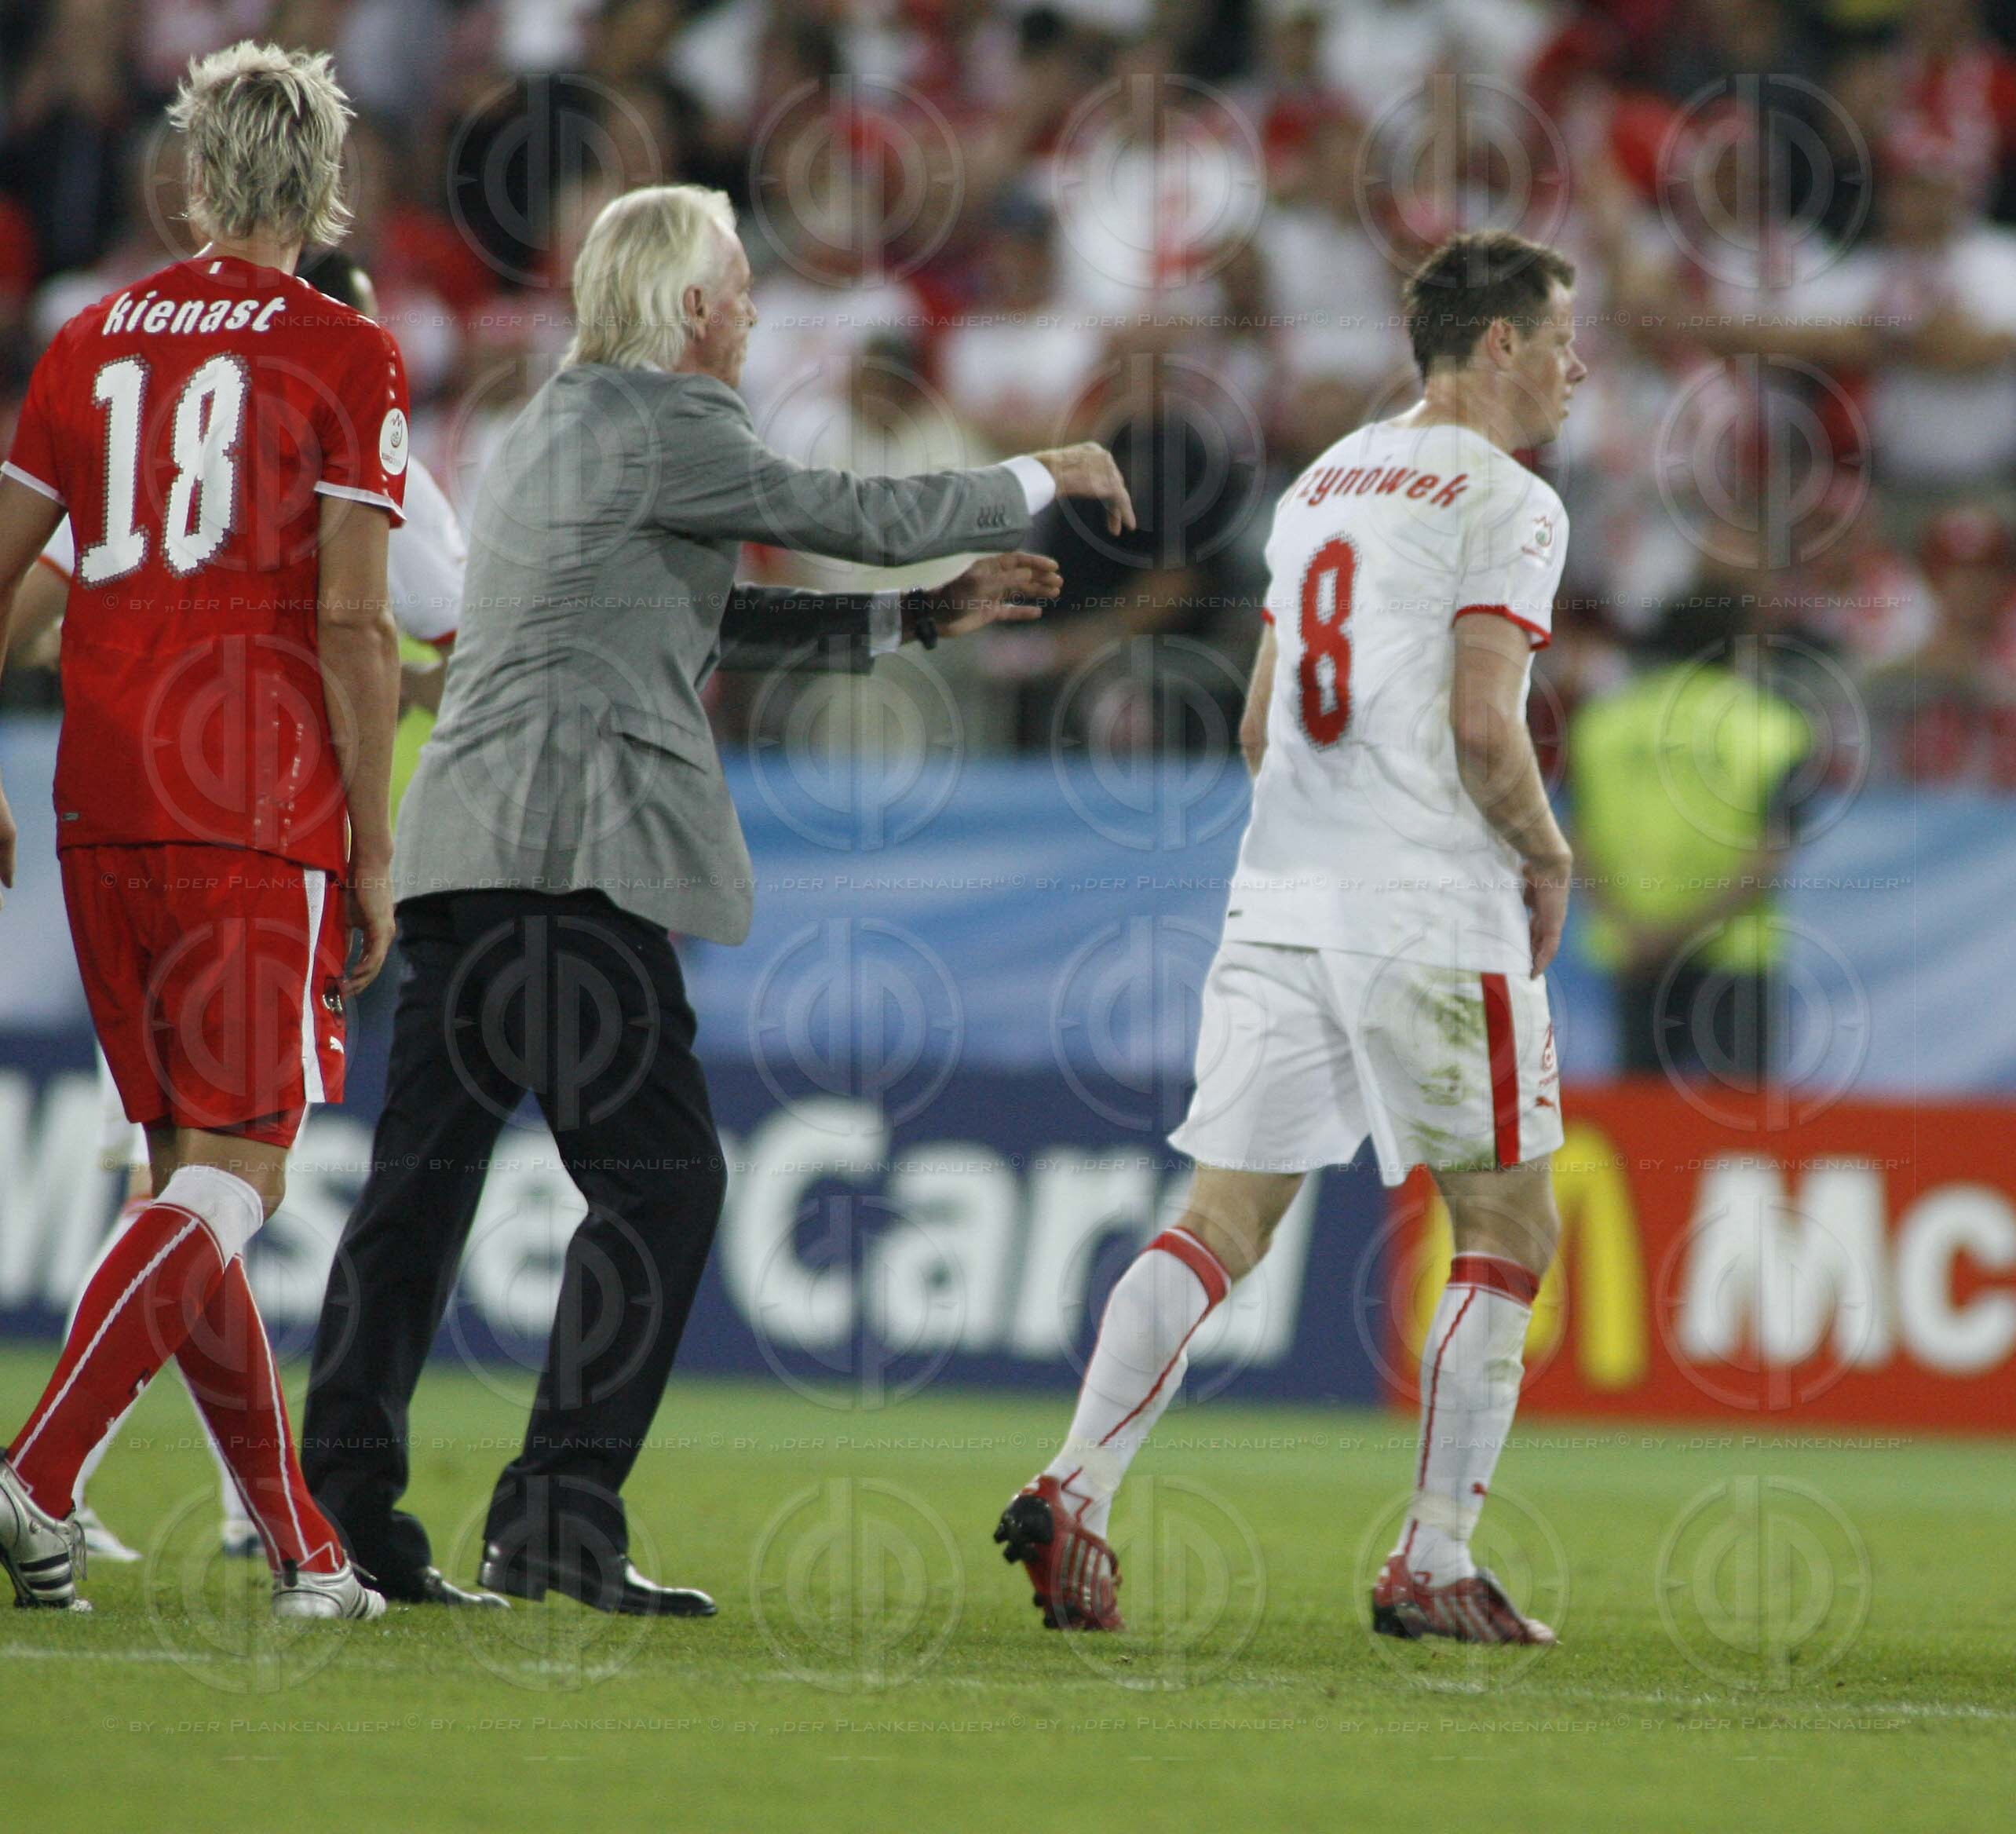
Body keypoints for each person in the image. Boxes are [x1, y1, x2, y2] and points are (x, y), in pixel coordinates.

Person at [299, 182, 1134, 1614]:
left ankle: (339, 1516)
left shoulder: (552, 425)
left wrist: (918, 618)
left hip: (461, 861)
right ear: (689, 307)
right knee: (667, 1185)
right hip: (572, 863)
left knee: (416, 1199)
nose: (753, 309)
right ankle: (556, 1519)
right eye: (739, 285)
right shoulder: (672, 419)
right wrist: (1032, 472)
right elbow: (852, 511)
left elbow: (691, 612)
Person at [999, 229, 1583, 1646]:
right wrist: (1545, 850)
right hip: (1430, 906)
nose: (1578, 371)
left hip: (1279, 896)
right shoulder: (1510, 499)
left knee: (1218, 1221)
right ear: (1501, 342)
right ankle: (1434, 1557)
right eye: (1565, 341)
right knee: (1509, 1224)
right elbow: (1483, 725)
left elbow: (1262, 723)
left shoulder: (1326, 478)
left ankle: (1074, 1484)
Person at [0, 42, 407, 1619]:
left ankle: (307, 1551)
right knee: (243, 1171)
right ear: (324, 181)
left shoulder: (87, 336)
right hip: (251, 796)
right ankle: (37, 1475)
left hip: (100, 793)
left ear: (191, 172)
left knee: (187, 1174)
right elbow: (355, 624)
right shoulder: (346, 354)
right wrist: (374, 847)